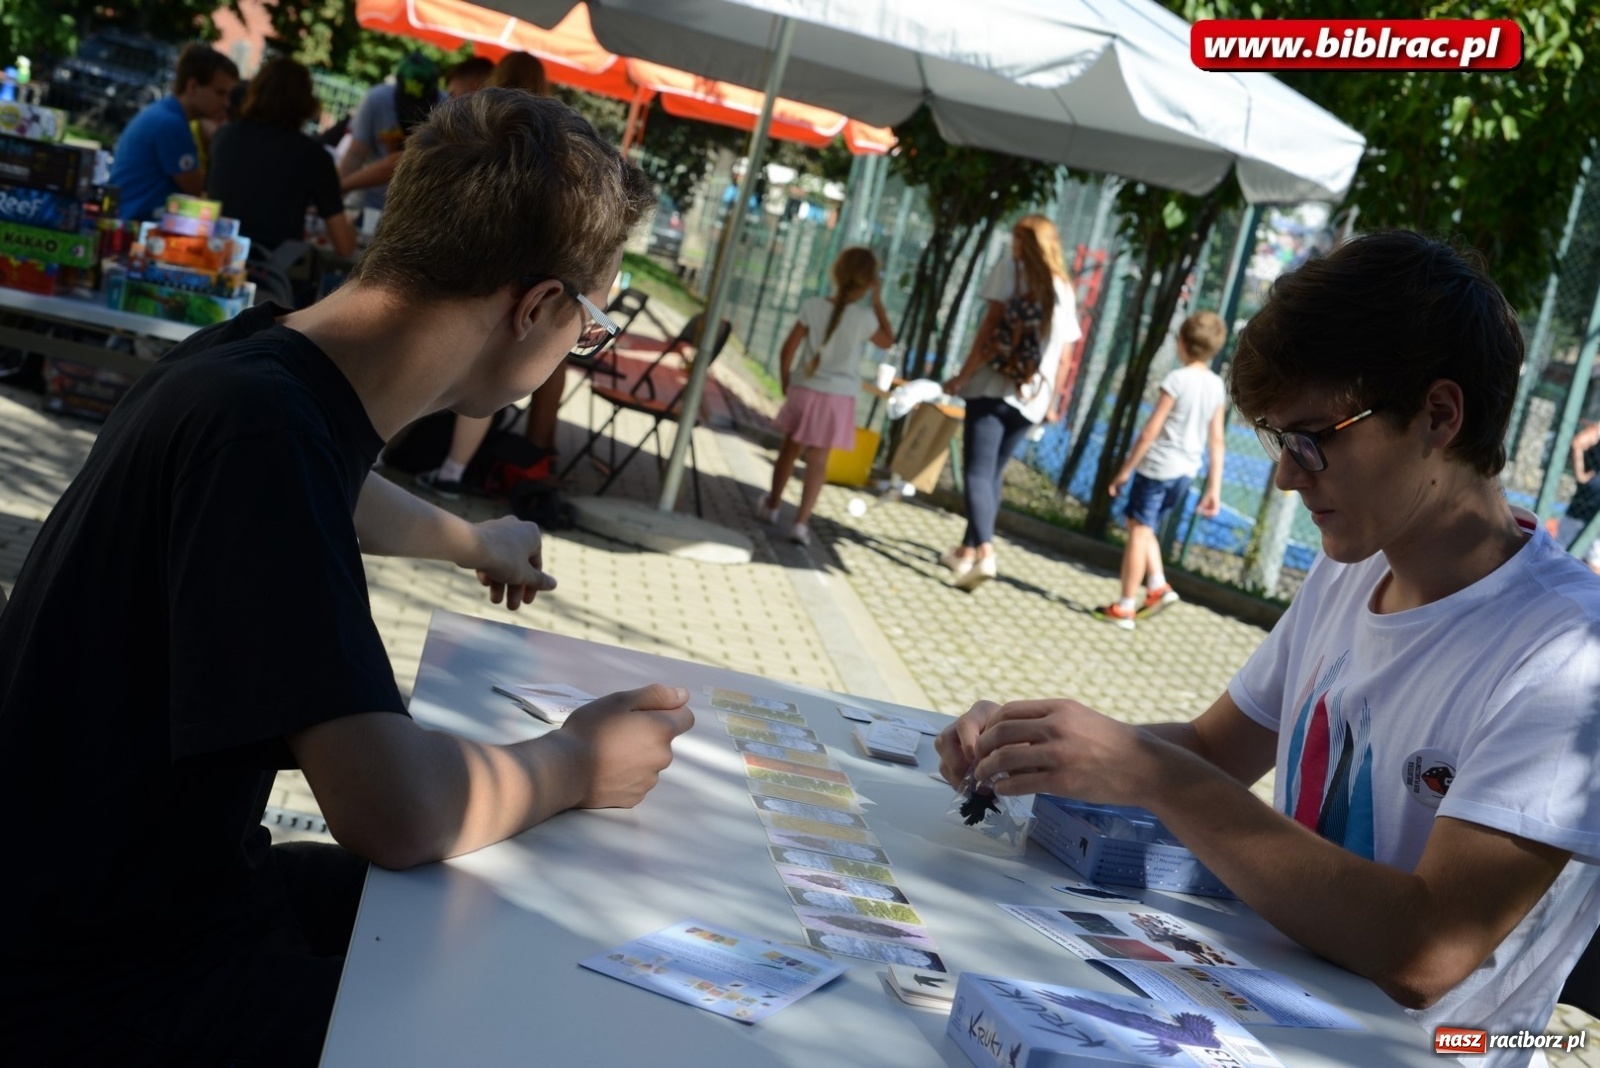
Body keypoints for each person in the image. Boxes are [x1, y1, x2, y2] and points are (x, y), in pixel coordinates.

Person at [0, 89, 680, 1065]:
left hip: (122, 898)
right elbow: (393, 812)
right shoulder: (262, 438)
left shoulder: (244, 368)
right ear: (537, 308)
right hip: (98, 985)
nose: (578, 346)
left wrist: (470, 542)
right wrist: (576, 762)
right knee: (534, 1021)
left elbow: (329, 490)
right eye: (589, 326)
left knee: (499, 918)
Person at [936, 231, 1600, 1066]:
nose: (1287, 476)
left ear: (1438, 415)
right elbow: (1217, 750)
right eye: (1278, 441)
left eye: (1311, 439)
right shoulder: (1355, 570)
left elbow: (1428, 951)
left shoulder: (1568, 654)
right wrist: (1041, 742)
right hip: (1254, 1016)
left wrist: (1153, 773)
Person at [415, 53, 565, 499]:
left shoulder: (474, 121)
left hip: (461, 254)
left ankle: (376, 449)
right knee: (483, 376)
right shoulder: (556, 146)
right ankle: (452, 473)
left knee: (426, 357)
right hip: (514, 272)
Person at [941, 215, 1081, 590]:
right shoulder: (1063, 288)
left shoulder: (1011, 270)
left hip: (994, 383)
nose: (1010, 245)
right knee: (992, 475)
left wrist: (963, 375)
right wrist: (1053, 400)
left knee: (976, 472)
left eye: (1015, 239)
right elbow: (1066, 354)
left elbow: (990, 326)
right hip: (1034, 395)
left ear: (1024, 242)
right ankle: (967, 551)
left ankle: (985, 551)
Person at [1092, 311, 1228, 630]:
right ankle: (1156, 585)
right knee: (1143, 525)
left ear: (1181, 343)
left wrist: (1125, 469)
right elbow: (1217, 440)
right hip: (1186, 473)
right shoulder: (1215, 386)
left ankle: (1125, 606)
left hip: (1158, 468)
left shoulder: (1177, 380)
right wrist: (1213, 488)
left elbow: (1150, 430)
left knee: (1138, 531)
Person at [754, 246, 893, 546]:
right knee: (818, 460)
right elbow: (888, 340)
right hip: (838, 398)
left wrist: (787, 381)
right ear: (869, 281)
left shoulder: (813, 305)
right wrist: (878, 299)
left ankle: (773, 506)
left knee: (790, 449)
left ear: (837, 272)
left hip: (805, 389)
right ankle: (800, 525)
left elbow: (787, 349)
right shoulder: (865, 318)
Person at [206, 56, 357, 258]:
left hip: (218, 260)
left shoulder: (224, 136)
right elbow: (344, 248)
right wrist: (352, 230)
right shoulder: (314, 156)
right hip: (275, 274)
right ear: (306, 102)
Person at [109, 44, 240, 221]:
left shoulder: (163, 113)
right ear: (192, 86)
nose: (226, 104)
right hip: (137, 227)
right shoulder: (171, 125)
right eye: (220, 93)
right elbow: (199, 193)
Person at [338, 52, 442, 210]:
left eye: (420, 106)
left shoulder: (446, 109)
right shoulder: (377, 99)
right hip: (371, 202)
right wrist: (333, 200)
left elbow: (396, 161)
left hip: (415, 207)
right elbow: (355, 154)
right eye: (408, 104)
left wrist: (340, 187)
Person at [1558, 420, 1600, 575]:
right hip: (1583, 506)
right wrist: (1581, 475)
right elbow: (1577, 443)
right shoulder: (1598, 430)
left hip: (1588, 509)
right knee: (1566, 557)